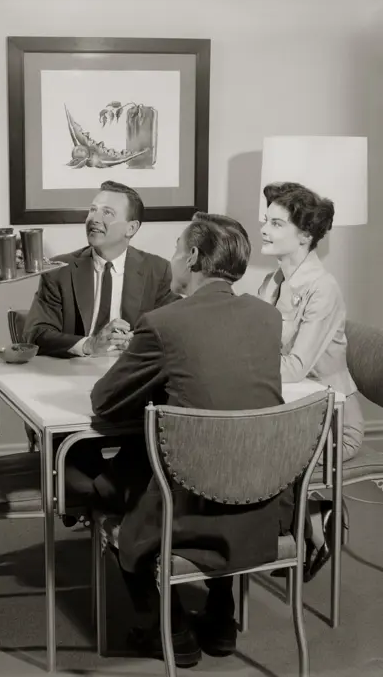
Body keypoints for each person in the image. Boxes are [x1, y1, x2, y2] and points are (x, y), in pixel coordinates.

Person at [90, 213, 288, 667]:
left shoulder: (163, 323)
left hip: (191, 505)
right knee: (215, 458)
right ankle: (221, 617)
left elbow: (104, 402)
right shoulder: (267, 316)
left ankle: (174, 632)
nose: (174, 258)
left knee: (113, 483)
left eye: (178, 248)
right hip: (261, 500)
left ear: (194, 257)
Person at [25, 180, 180, 522]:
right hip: (72, 391)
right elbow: (35, 331)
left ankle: (105, 502)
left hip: (131, 389)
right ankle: (101, 502)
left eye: (107, 212)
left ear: (132, 228)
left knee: (157, 433)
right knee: (77, 449)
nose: (94, 217)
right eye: (92, 209)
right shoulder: (59, 269)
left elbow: (173, 330)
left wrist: (139, 342)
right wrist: (88, 344)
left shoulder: (158, 270)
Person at [258, 181, 364, 580]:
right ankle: (302, 519)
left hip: (333, 424)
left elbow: (295, 366)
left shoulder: (323, 288)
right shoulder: (271, 282)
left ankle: (315, 523)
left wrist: (243, 362)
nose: (265, 230)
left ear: (305, 235)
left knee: (253, 458)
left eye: (277, 224)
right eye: (266, 221)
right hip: (287, 412)